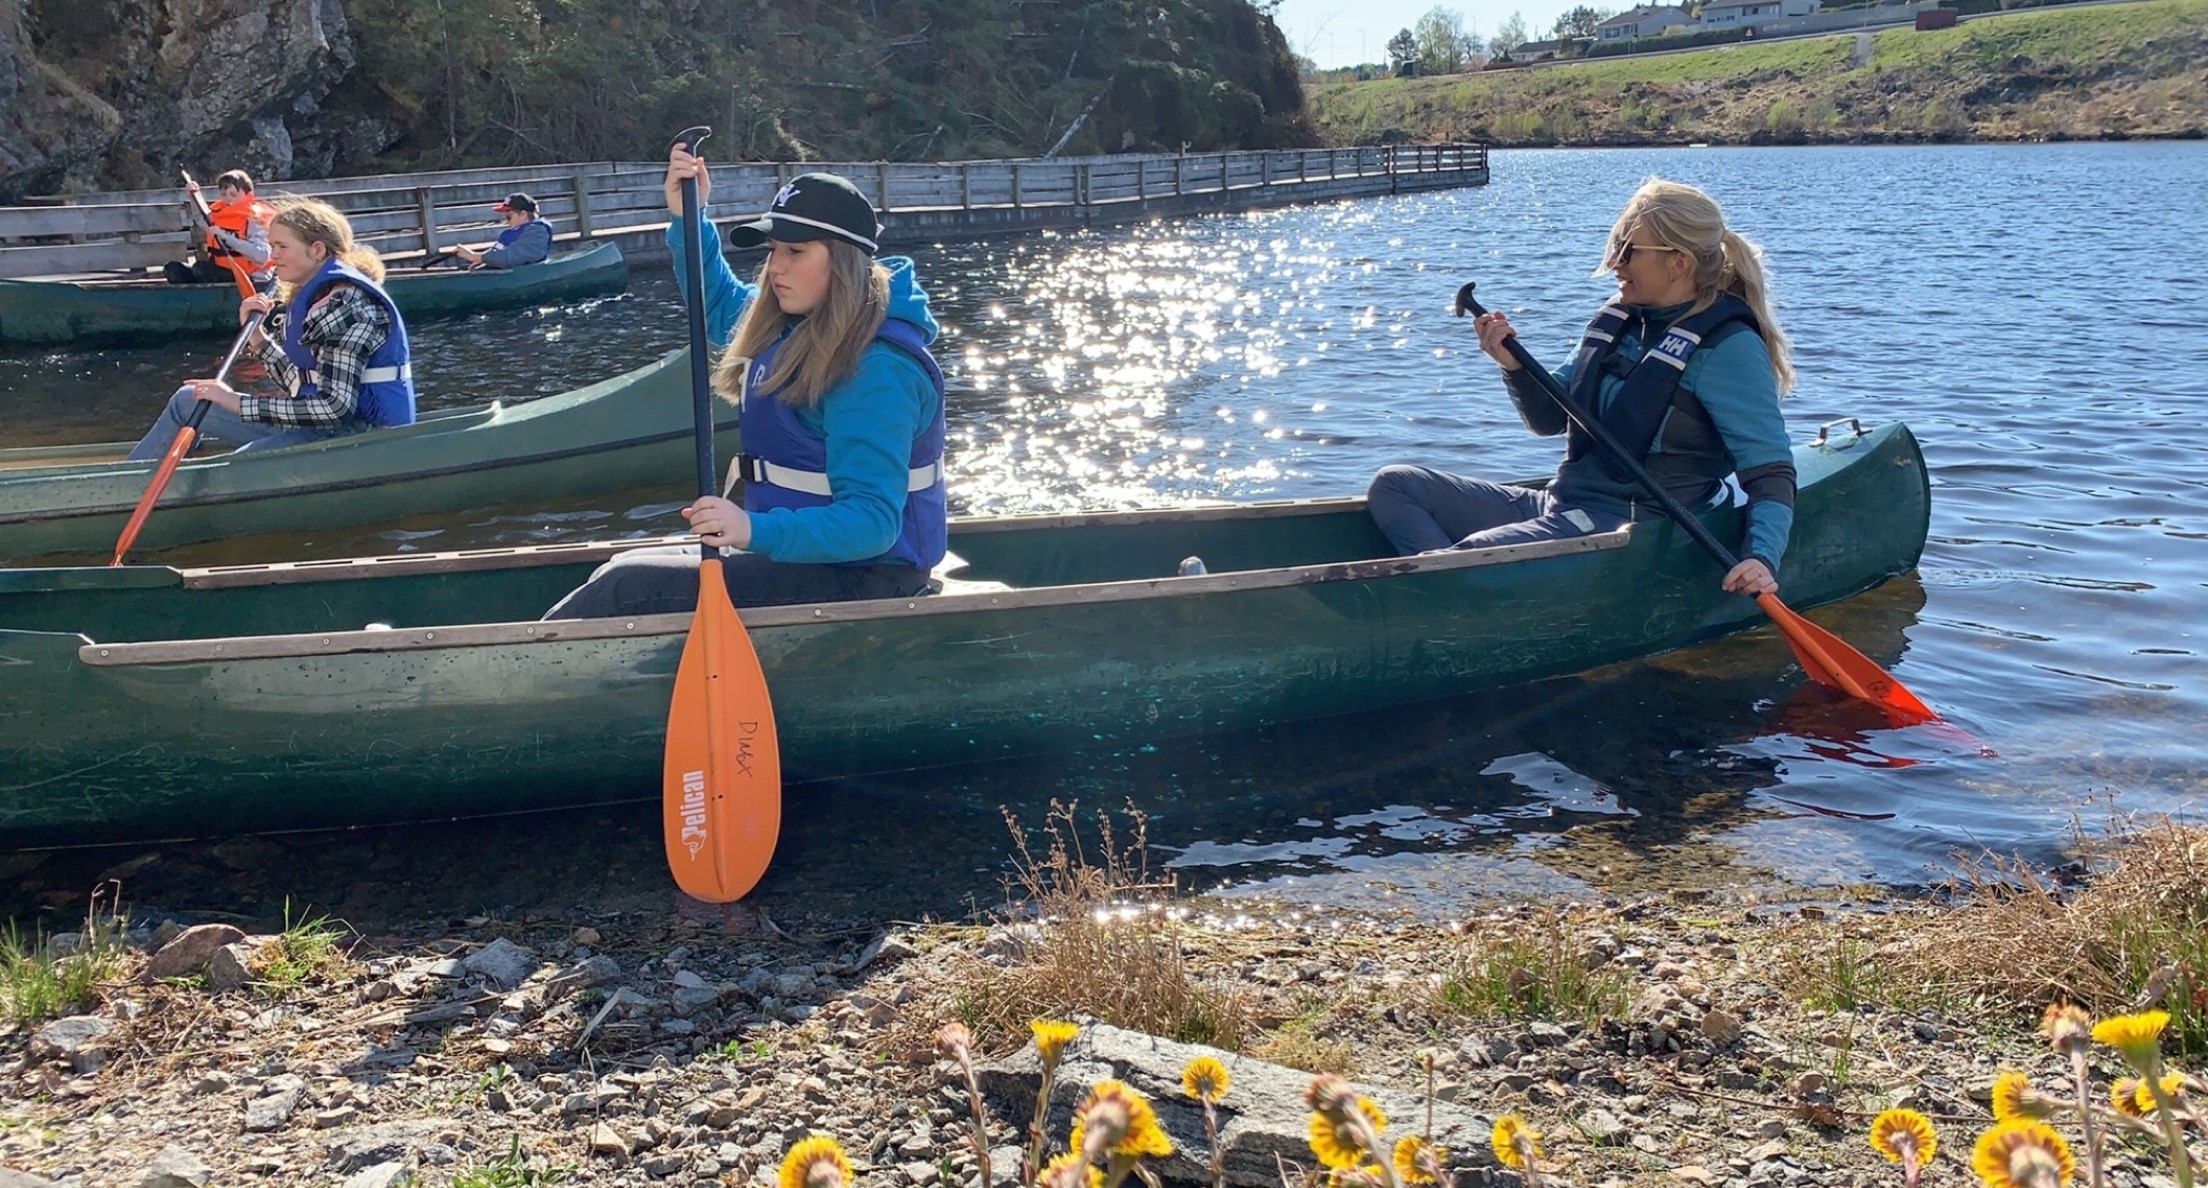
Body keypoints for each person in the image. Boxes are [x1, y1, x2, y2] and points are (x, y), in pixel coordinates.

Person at [543, 150, 947, 619]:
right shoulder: (799, 321)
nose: (776, 266)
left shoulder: (876, 370)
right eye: (773, 250)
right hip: (806, 558)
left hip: (865, 576)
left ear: (843, 262)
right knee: (620, 565)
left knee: (624, 588)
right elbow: (722, 306)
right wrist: (689, 217)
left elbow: (873, 524)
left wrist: (750, 528)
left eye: (795, 252)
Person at [1365, 178, 1796, 598]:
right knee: (1395, 483)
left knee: (1471, 557)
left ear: (1677, 262)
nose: (1615, 264)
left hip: (1631, 526)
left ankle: (1448, 590)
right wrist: (1512, 366)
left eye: (1628, 251)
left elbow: (1771, 472)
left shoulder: (1728, 347)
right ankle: (1454, 589)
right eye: (1615, 248)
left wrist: (1760, 558)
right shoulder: (1620, 319)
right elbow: (1549, 418)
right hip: (1563, 503)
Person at [128, 199, 416, 461]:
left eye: (281, 247)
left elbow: (333, 408)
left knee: (235, 465)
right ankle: (132, 479)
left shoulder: (346, 306)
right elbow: (302, 382)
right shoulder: (320, 297)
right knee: (187, 401)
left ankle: (152, 491)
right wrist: (258, 339)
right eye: (271, 246)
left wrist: (238, 402)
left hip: (364, 437)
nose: (271, 257)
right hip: (322, 429)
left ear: (316, 250)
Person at [164, 170, 275, 289]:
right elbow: (201, 218)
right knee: (172, 269)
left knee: (201, 269)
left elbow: (262, 256)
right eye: (223, 194)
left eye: (233, 194)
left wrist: (227, 238)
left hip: (250, 278)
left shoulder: (255, 219)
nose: (228, 199)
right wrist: (194, 195)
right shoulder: (220, 214)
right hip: (221, 272)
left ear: (248, 193)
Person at [453, 192, 554, 270]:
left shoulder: (537, 232)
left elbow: (510, 256)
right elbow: (498, 251)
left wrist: (476, 257)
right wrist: (484, 259)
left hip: (520, 278)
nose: (506, 221)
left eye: (508, 216)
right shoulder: (513, 232)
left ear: (523, 214)